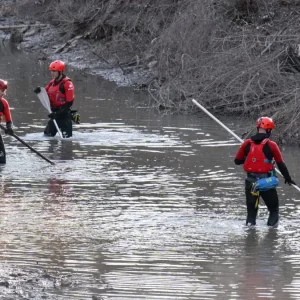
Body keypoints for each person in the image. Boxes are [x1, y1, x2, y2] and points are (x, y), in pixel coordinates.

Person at [234, 117, 296, 227]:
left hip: (250, 182)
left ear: (258, 128)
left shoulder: (247, 143)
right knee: (273, 210)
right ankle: (272, 236)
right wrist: (288, 179)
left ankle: (250, 238)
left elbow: (237, 161)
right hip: (266, 182)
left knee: (251, 215)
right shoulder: (272, 145)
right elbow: (281, 164)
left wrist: (249, 158)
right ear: (268, 130)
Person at [34, 60, 78, 138]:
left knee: (66, 141)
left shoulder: (68, 84)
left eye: (54, 71)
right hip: (54, 115)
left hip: (64, 116)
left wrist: (57, 114)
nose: (52, 73)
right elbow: (45, 93)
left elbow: (69, 103)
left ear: (60, 72)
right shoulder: (52, 83)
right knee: (47, 136)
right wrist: (39, 90)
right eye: (51, 71)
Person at [0, 79, 14, 164]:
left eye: (4, 91)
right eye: (2, 91)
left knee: (2, 161)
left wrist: (9, 128)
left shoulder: (4, 103)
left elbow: (9, 121)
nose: (4, 93)